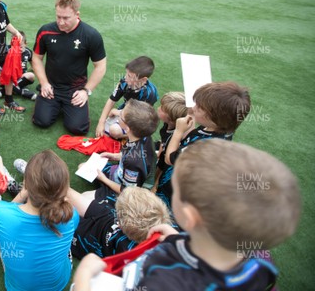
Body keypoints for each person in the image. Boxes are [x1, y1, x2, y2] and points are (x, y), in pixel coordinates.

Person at [124, 139, 301, 290]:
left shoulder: (163, 280)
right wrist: (178, 239)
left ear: (190, 216)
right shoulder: (262, 263)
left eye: (175, 189)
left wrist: (94, 281)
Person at [0, 150, 80, 290]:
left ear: (25, 184)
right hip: (57, 284)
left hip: (16, 286)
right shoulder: (72, 215)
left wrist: (22, 194)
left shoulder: (1, 212)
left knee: (0, 241)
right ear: (65, 189)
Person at [156, 81, 251, 210]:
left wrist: (178, 131)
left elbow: (170, 158)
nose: (193, 107)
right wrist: (193, 112)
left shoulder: (203, 145)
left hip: (174, 192)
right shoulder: (223, 128)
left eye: (199, 107)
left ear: (213, 118)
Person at [32, 0, 107, 135]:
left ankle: (68, 107)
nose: (61, 22)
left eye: (65, 18)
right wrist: (44, 83)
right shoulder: (46, 31)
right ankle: (52, 104)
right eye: (58, 17)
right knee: (41, 121)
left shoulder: (90, 35)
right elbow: (36, 58)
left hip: (75, 90)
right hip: (51, 87)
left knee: (78, 129)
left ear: (77, 14)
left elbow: (101, 66)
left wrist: (86, 91)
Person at [69, 186, 171, 259]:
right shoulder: (163, 246)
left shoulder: (107, 219)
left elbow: (69, 194)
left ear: (120, 224)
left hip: (89, 237)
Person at [92, 99, 159, 200]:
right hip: (120, 173)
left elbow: (127, 191)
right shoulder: (145, 137)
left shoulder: (133, 161)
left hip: (123, 193)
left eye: (121, 115)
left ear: (127, 128)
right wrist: (114, 156)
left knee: (86, 194)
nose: (119, 114)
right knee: (83, 166)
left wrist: (103, 179)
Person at [96, 56, 158, 139]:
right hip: (124, 112)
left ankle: (134, 137)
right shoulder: (124, 82)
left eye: (129, 76)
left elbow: (139, 117)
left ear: (143, 79)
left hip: (137, 120)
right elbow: (112, 100)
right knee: (103, 134)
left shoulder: (149, 94)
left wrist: (116, 112)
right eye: (126, 74)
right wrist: (101, 122)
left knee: (114, 131)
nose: (125, 78)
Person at [150, 92, 187, 194]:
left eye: (162, 108)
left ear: (171, 118)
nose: (158, 108)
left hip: (168, 162)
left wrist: (155, 183)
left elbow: (164, 164)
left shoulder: (174, 138)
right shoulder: (167, 125)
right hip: (163, 150)